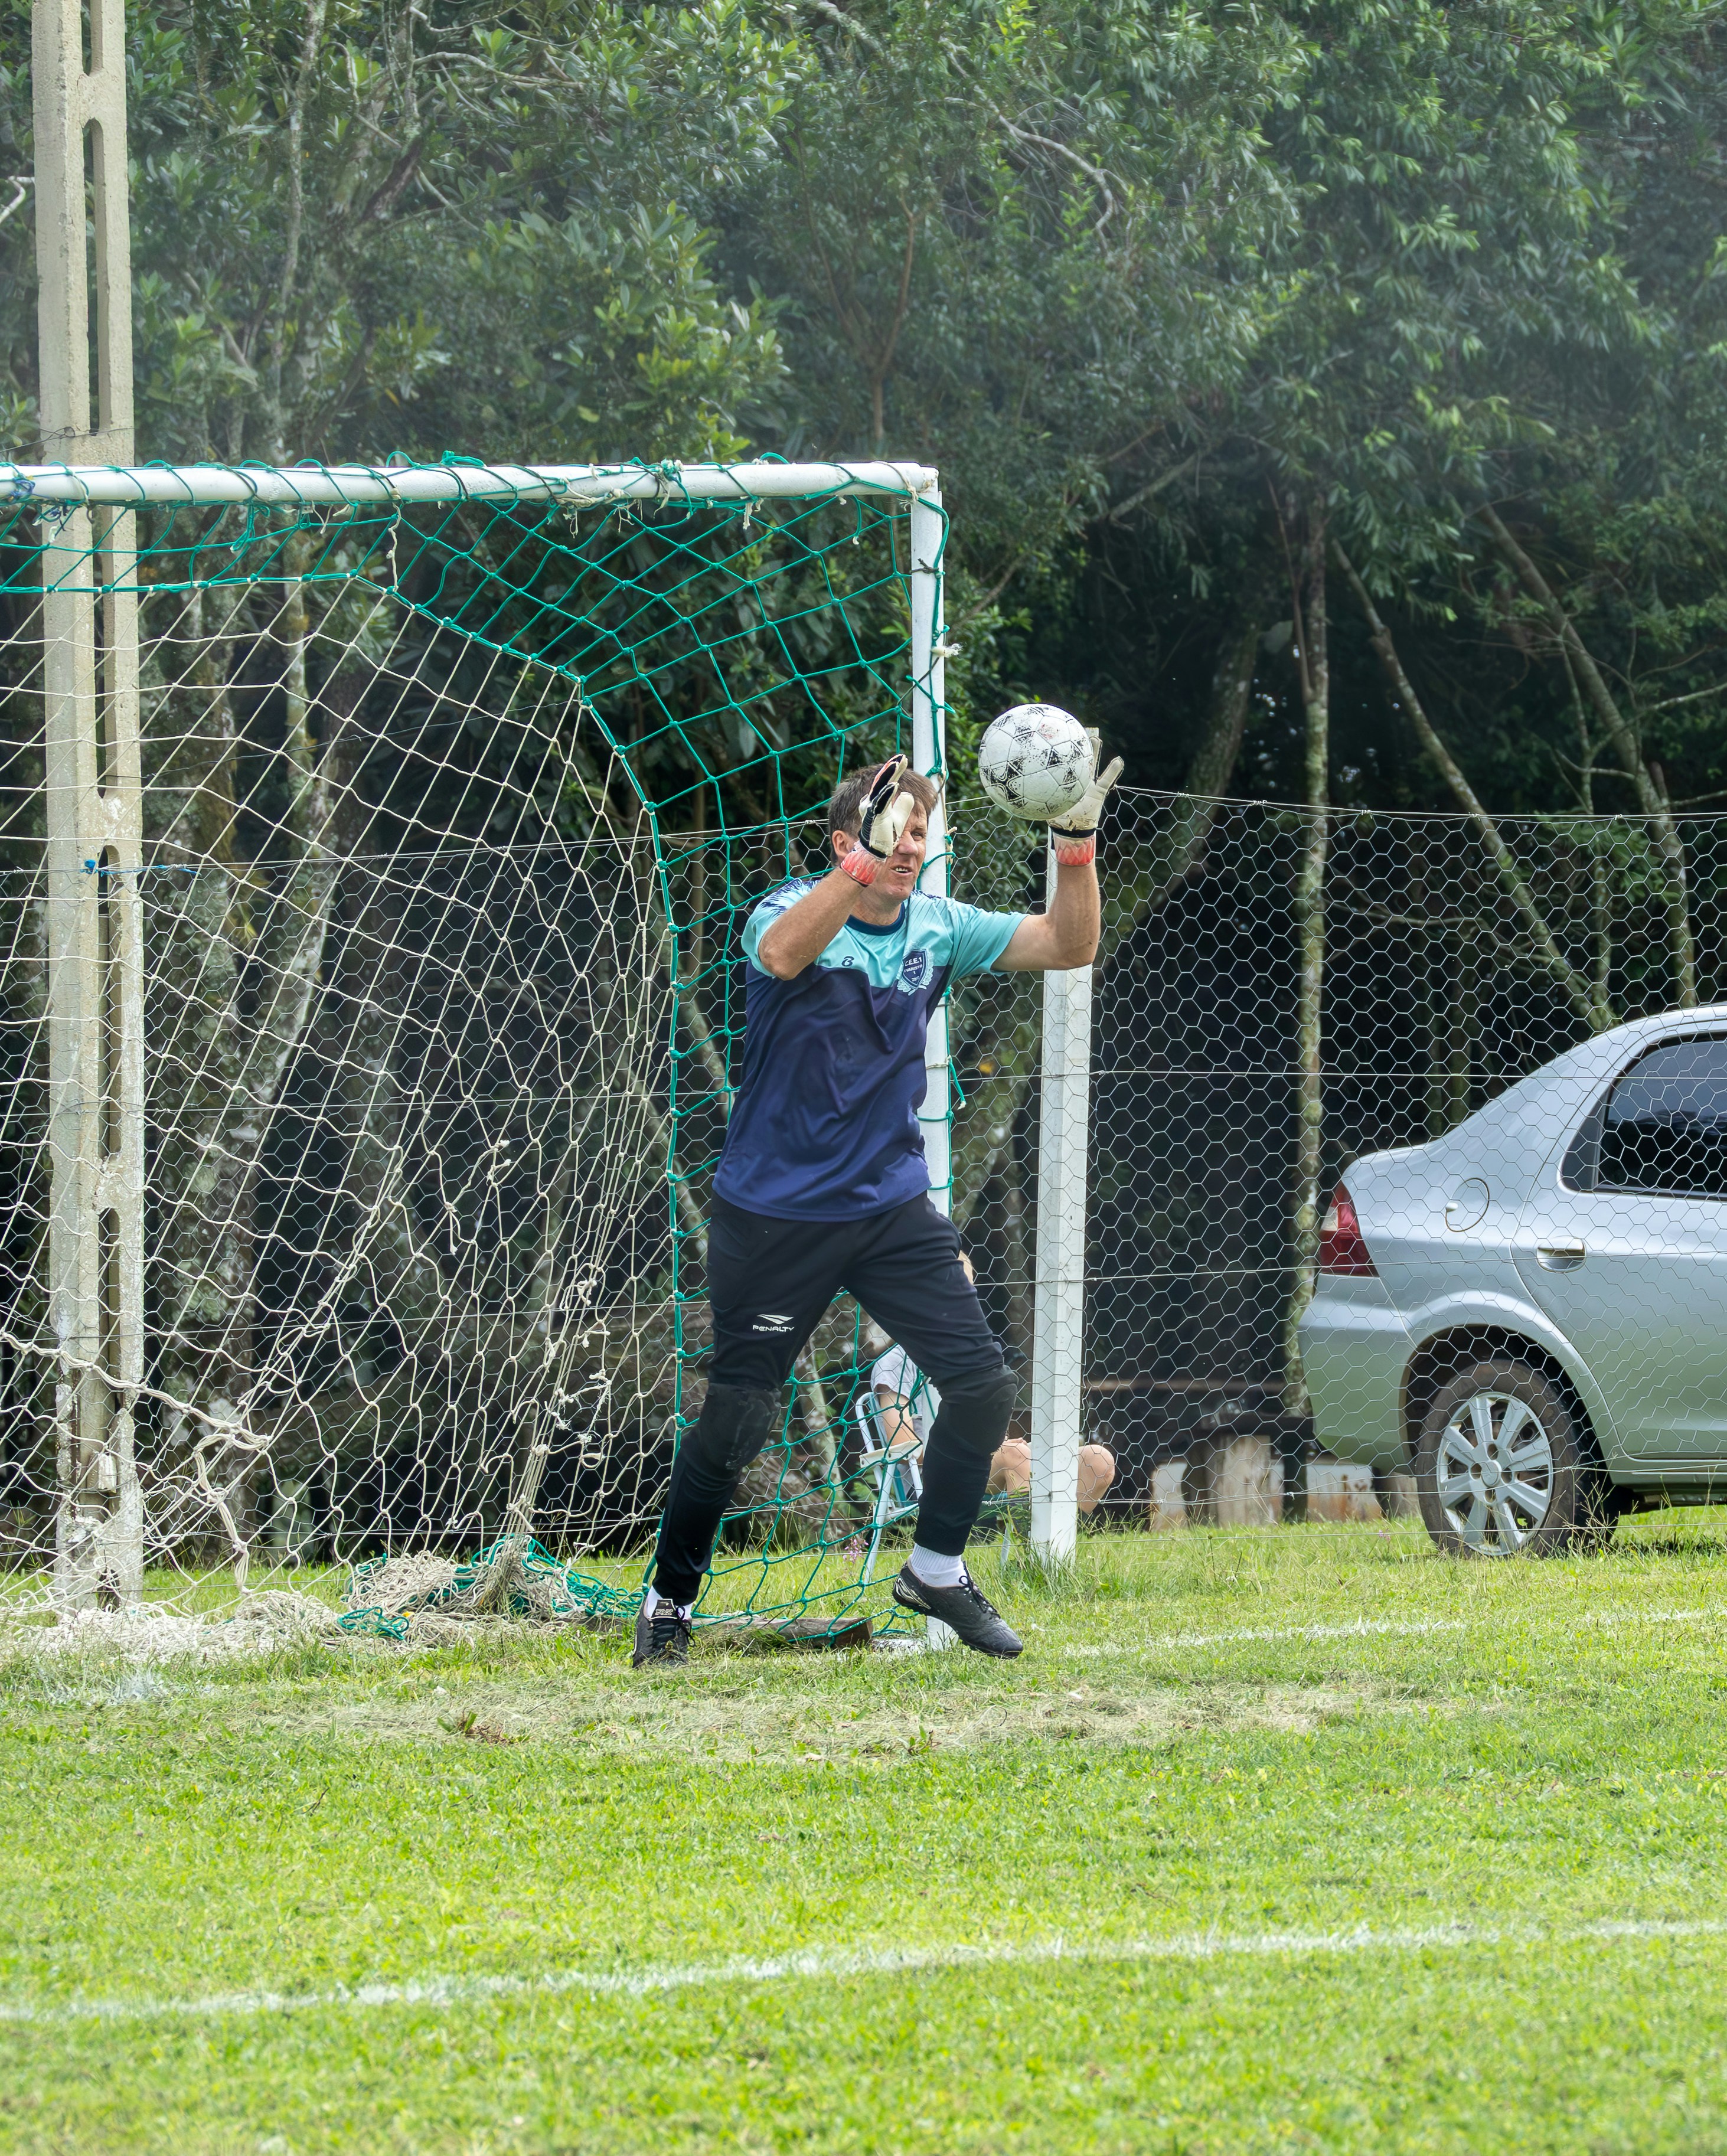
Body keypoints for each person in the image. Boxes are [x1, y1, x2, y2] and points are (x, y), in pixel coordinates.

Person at [635, 740, 1121, 1667]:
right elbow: (780, 956)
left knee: (980, 1384)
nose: (910, 846)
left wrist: (1076, 847)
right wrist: (859, 856)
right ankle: (668, 1601)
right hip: (775, 1217)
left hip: (890, 1209)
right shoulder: (789, 910)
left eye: (921, 832)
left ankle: (936, 1567)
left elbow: (1071, 944)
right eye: (896, 829)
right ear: (845, 839)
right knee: (737, 1421)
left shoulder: (936, 924)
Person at [869, 1263, 1118, 1516]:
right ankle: (1031, 1553)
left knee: (1097, 1459)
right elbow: (903, 1446)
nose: (962, 1299)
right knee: (1017, 1455)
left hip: (988, 1457)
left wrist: (999, 1443)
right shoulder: (894, 1363)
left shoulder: (970, 1351)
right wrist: (991, 1448)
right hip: (933, 1474)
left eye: (966, 1289)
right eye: (952, 1287)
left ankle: (1060, 1543)